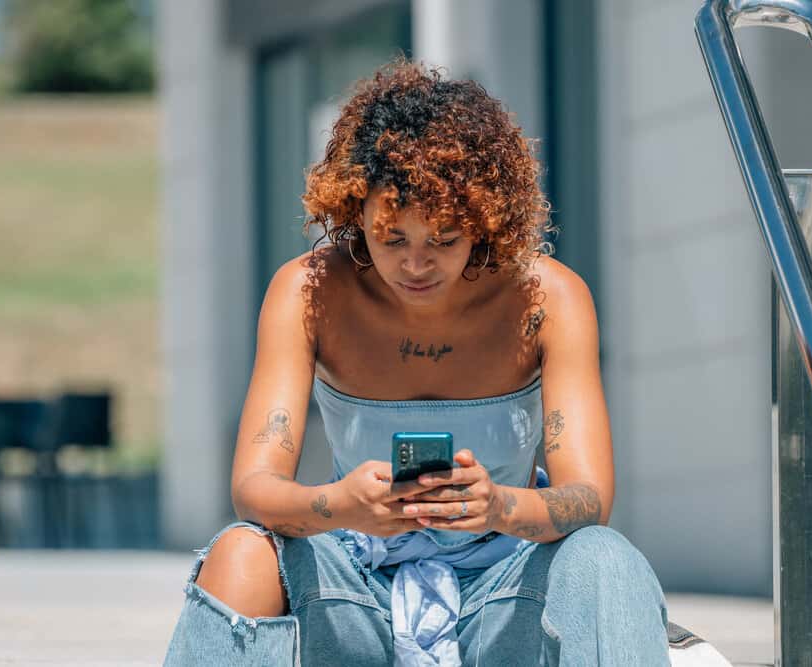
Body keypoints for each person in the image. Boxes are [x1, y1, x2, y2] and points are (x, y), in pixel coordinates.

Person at [163, 57, 695, 666]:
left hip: (504, 593)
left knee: (604, 556)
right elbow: (254, 488)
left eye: (444, 239)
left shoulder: (548, 297)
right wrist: (343, 504)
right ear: (356, 213)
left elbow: (589, 498)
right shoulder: (307, 291)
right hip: (356, 589)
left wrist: (498, 506)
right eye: (392, 239)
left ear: (484, 223)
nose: (416, 264)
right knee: (240, 553)